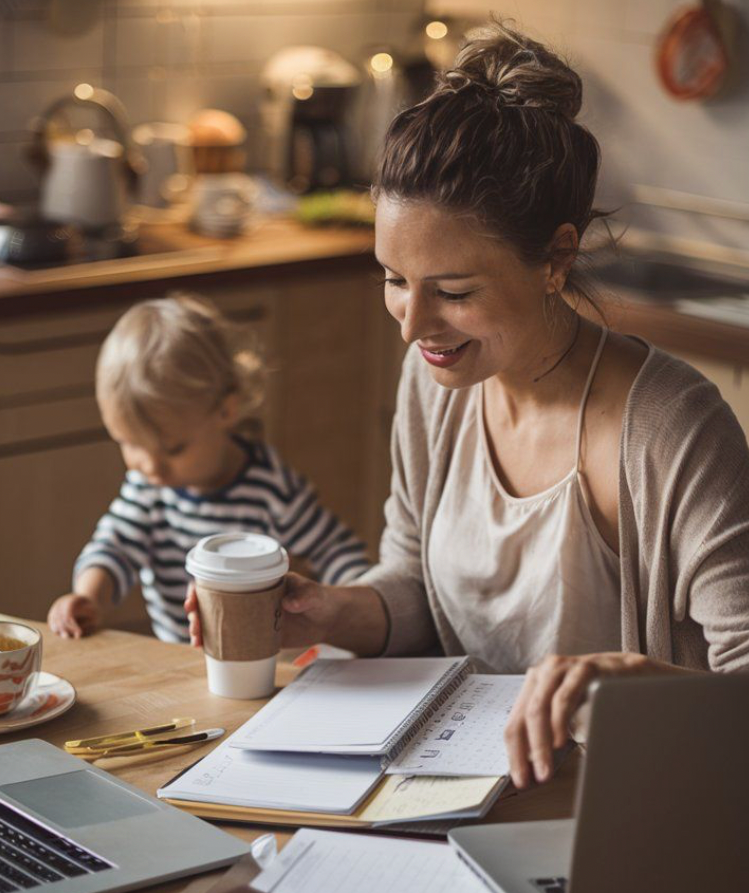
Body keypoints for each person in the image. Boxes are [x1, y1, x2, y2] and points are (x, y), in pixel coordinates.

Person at [189, 22, 749, 790]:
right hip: (455, 798)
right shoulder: (439, 377)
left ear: (556, 257)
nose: (414, 325)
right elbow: (415, 589)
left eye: (453, 292)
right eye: (393, 279)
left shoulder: (670, 429)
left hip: (632, 823)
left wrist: (637, 692)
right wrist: (328, 613)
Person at [48, 293, 371, 644]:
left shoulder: (270, 487)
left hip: (259, 659)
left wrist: (363, 604)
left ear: (226, 411)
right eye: (130, 444)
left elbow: (337, 552)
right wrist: (88, 597)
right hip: (179, 661)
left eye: (174, 448)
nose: (151, 465)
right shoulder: (147, 487)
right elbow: (114, 547)